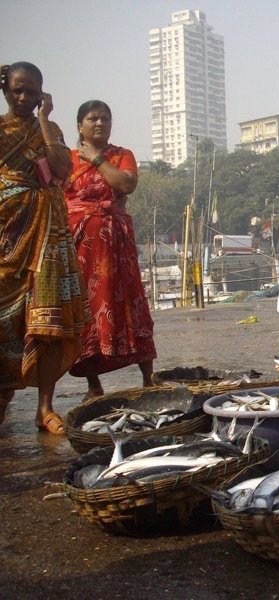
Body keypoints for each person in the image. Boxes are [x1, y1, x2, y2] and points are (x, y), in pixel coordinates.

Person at [0, 62, 89, 434]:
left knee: (49, 320)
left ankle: (45, 407)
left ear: (42, 94)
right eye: (17, 90)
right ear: (6, 90)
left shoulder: (49, 128)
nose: (23, 97)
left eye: (32, 91)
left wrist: (44, 119)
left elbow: (62, 169)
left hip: (49, 234)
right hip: (8, 230)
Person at [62, 100, 157, 399]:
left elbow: (126, 184)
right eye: (92, 119)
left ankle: (148, 378)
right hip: (82, 247)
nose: (100, 123)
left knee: (132, 302)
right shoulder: (66, 159)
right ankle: (93, 384)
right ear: (80, 125)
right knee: (87, 310)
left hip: (116, 245)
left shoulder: (121, 155)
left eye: (105, 118)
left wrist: (98, 160)